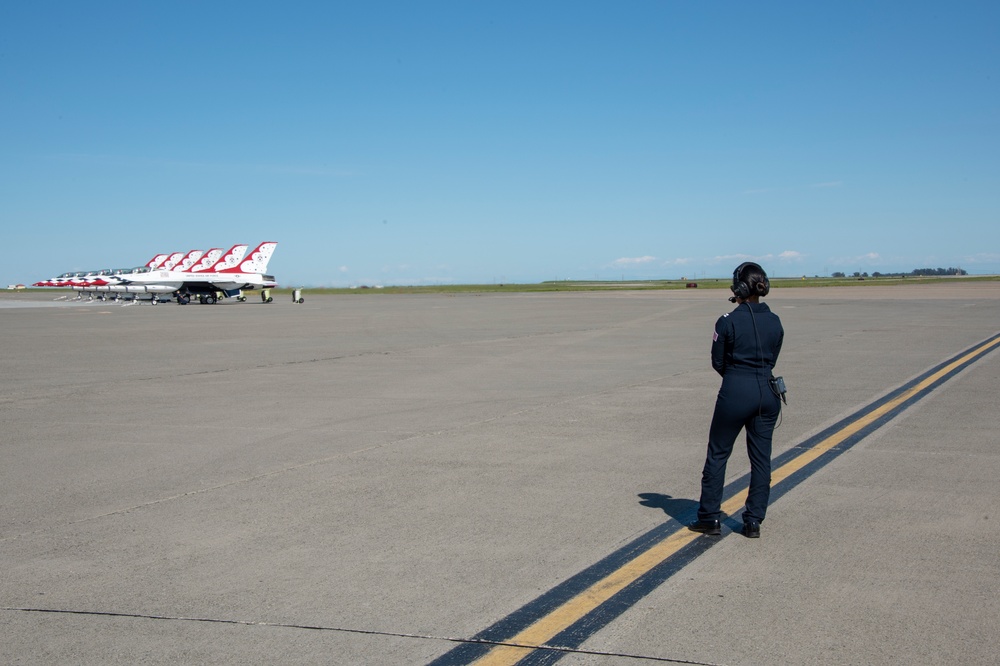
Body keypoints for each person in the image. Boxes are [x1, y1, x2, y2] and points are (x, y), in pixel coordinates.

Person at [688, 262, 784, 538]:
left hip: (735, 390)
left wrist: (736, 378)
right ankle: (753, 520)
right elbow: (773, 357)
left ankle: (709, 517)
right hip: (767, 391)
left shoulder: (727, 320)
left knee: (718, 454)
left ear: (739, 287)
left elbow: (718, 361)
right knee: (761, 459)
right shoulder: (775, 321)